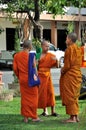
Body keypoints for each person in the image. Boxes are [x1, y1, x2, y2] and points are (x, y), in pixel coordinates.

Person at [13, 40, 41, 123]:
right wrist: (37, 78)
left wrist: (19, 76)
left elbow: (15, 69)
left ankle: (25, 118)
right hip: (31, 80)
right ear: (30, 47)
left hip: (23, 79)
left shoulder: (16, 56)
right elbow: (34, 69)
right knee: (33, 98)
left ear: (23, 46)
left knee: (24, 98)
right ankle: (34, 117)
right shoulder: (31, 56)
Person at [60, 32, 82, 123]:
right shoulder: (78, 49)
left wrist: (62, 70)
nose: (65, 41)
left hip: (70, 75)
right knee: (75, 95)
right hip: (77, 74)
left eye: (66, 39)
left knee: (70, 95)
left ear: (69, 39)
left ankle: (72, 118)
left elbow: (67, 65)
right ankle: (75, 116)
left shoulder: (69, 49)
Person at [38, 39, 59, 116]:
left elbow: (57, 65)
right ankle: (45, 111)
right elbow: (35, 66)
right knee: (43, 93)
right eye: (46, 46)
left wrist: (56, 60)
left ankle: (53, 111)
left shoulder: (50, 55)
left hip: (47, 75)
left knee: (51, 92)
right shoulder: (38, 55)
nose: (48, 48)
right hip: (40, 75)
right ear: (42, 46)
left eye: (48, 46)